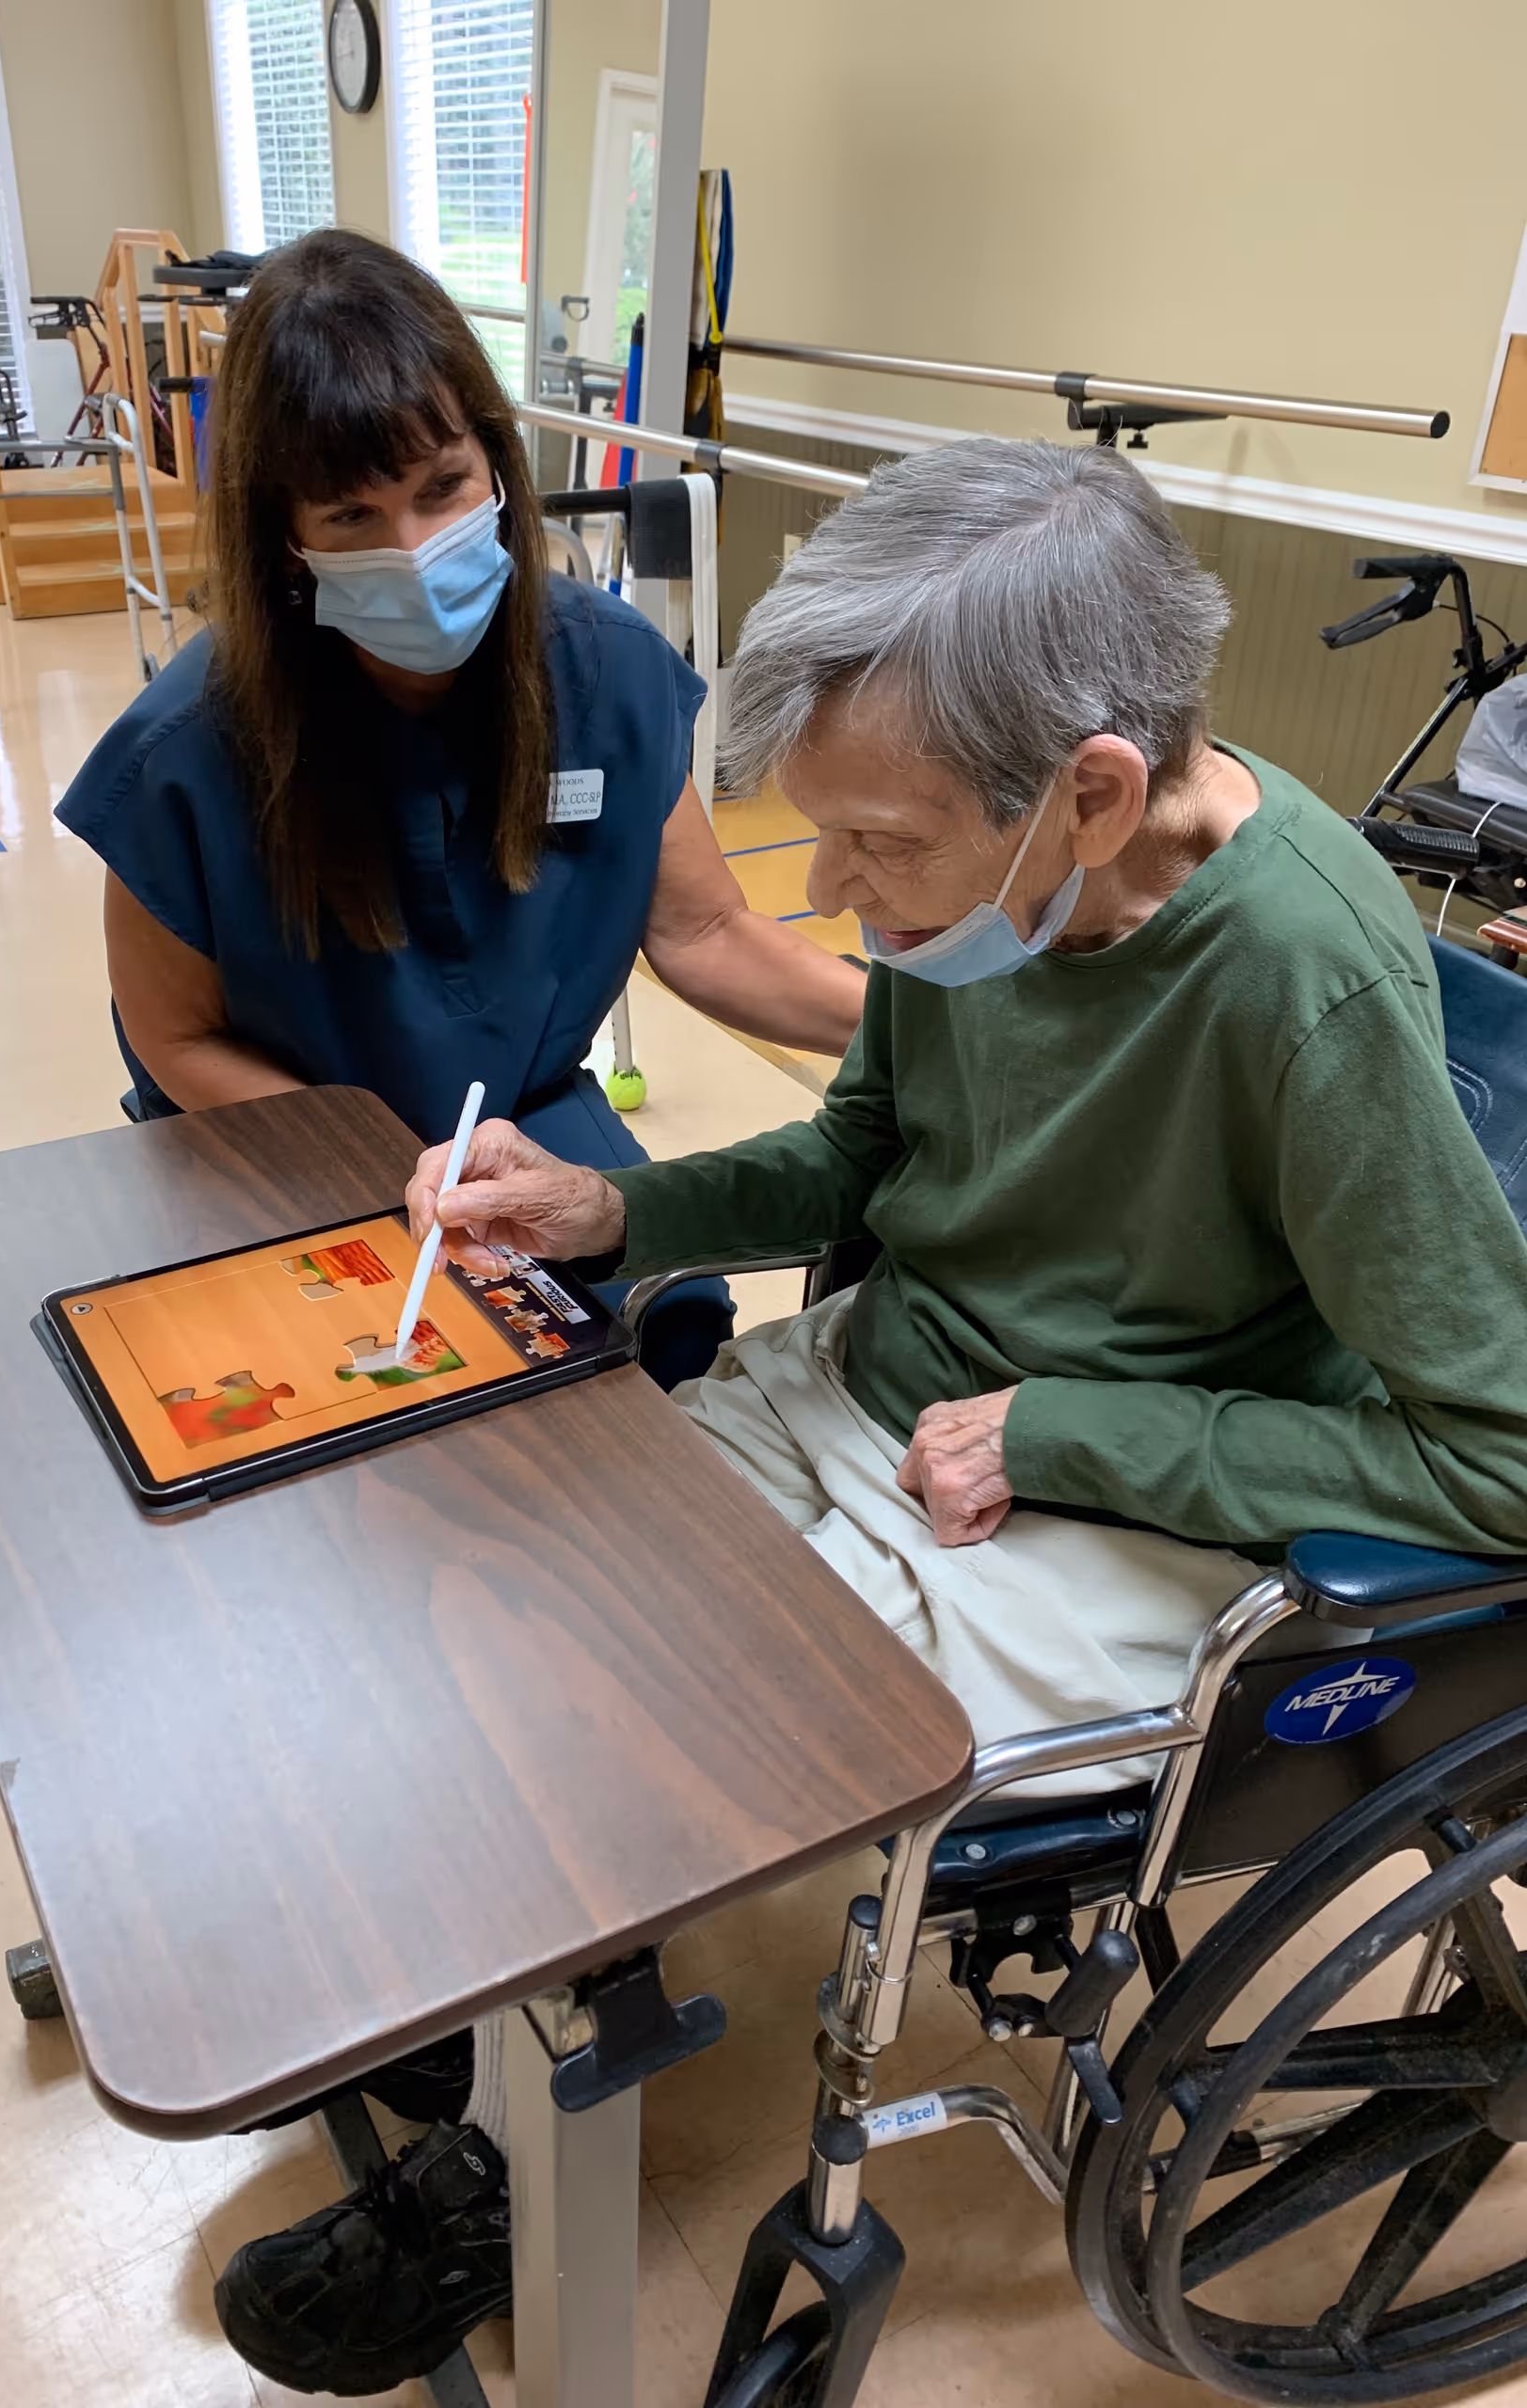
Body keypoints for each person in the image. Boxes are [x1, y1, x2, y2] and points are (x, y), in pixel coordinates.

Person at [216, 437, 1527, 2392]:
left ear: (1089, 792)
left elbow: (1499, 1455)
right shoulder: (982, 890)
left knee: (665, 1748)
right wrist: (620, 1209)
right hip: (893, 1379)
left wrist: (1082, 1431)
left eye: (878, 848)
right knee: (527, 1577)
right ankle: (482, 1988)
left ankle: (505, 2141)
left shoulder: (1300, 987)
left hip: (1121, 1497)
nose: (829, 900)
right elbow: (862, 1155)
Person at [55, 228, 866, 1401]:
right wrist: (385, 1164)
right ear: (284, 535)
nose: (415, 548)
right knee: (326, 1412)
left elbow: (701, 932)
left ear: (495, 460)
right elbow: (178, 1042)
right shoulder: (188, 749)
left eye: (442, 490)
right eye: (350, 519)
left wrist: (916, 1026)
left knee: (668, 1330)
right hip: (277, 1142)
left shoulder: (606, 670)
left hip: (523, 1126)